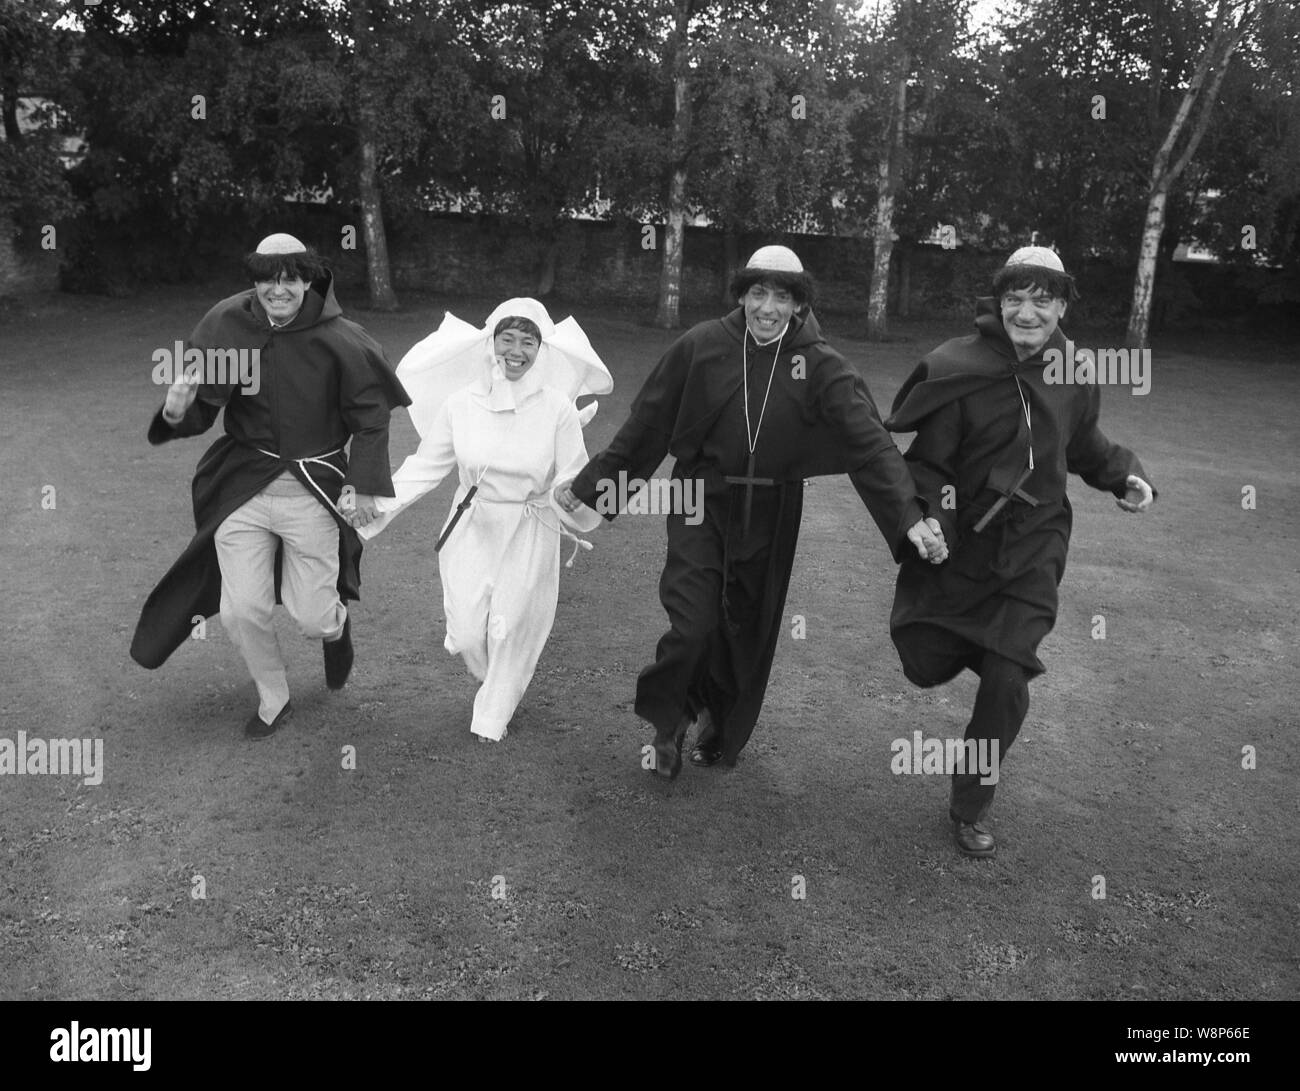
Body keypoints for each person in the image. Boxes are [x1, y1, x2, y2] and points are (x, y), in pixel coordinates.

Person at [555, 245, 947, 778]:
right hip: (700, 497)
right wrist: (593, 484)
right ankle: (667, 720)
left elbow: (871, 444)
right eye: (758, 293)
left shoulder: (822, 365)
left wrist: (910, 516)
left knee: (746, 628)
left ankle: (720, 719)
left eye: (782, 296)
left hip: (773, 506)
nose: (768, 307)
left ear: (798, 304)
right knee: (692, 621)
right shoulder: (701, 346)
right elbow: (648, 424)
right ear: (742, 294)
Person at [886, 245, 1156, 858]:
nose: (1026, 312)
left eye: (1041, 300)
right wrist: (932, 516)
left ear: (1061, 305)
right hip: (967, 541)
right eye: (1015, 299)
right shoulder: (958, 366)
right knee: (924, 658)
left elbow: (1083, 444)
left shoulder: (1076, 370)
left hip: (1036, 545)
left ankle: (970, 804)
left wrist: (1125, 475)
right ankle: (977, 646)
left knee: (1009, 676)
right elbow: (927, 463)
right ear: (999, 302)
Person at [130, 233, 410, 738]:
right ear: (255, 281)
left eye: (289, 280)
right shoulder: (227, 325)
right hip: (242, 487)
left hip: (311, 490)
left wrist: (364, 485)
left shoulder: (342, 338)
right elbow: (204, 409)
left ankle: (336, 626)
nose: (277, 290)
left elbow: (372, 418)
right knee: (241, 611)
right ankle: (272, 695)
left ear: (308, 279)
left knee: (312, 617)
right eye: (266, 280)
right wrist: (176, 410)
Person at [353, 298, 612, 742]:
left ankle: (493, 714)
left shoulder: (558, 409)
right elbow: (426, 466)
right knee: (470, 631)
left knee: (509, 626)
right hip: (470, 525)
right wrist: (378, 504)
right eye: (507, 339)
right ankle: (496, 680)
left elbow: (572, 471)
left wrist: (571, 494)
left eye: (527, 341)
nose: (516, 350)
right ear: (490, 343)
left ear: (541, 350)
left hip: (529, 528)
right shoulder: (460, 404)